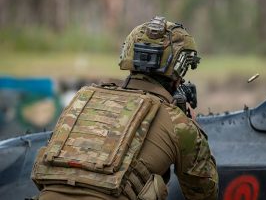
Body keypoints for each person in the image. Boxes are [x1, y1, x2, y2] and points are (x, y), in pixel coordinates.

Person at [31, 16, 218, 200]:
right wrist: (191, 125)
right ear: (179, 71)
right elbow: (204, 192)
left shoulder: (83, 98)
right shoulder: (178, 123)